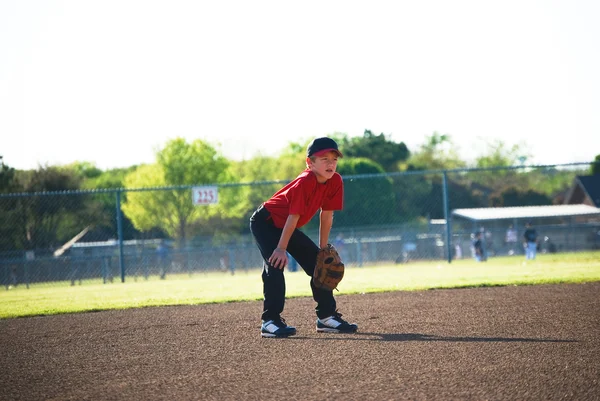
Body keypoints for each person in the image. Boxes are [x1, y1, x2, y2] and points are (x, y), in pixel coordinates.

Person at [249, 137, 358, 338]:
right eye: (324, 158)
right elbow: (293, 217)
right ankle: (270, 320)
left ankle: (326, 317)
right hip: (265, 222)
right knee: (275, 264)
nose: (330, 163)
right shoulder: (305, 181)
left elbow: (326, 216)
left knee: (320, 264)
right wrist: (280, 249)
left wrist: (323, 249)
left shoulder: (335, 181)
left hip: (285, 226)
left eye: (334, 159)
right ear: (310, 162)